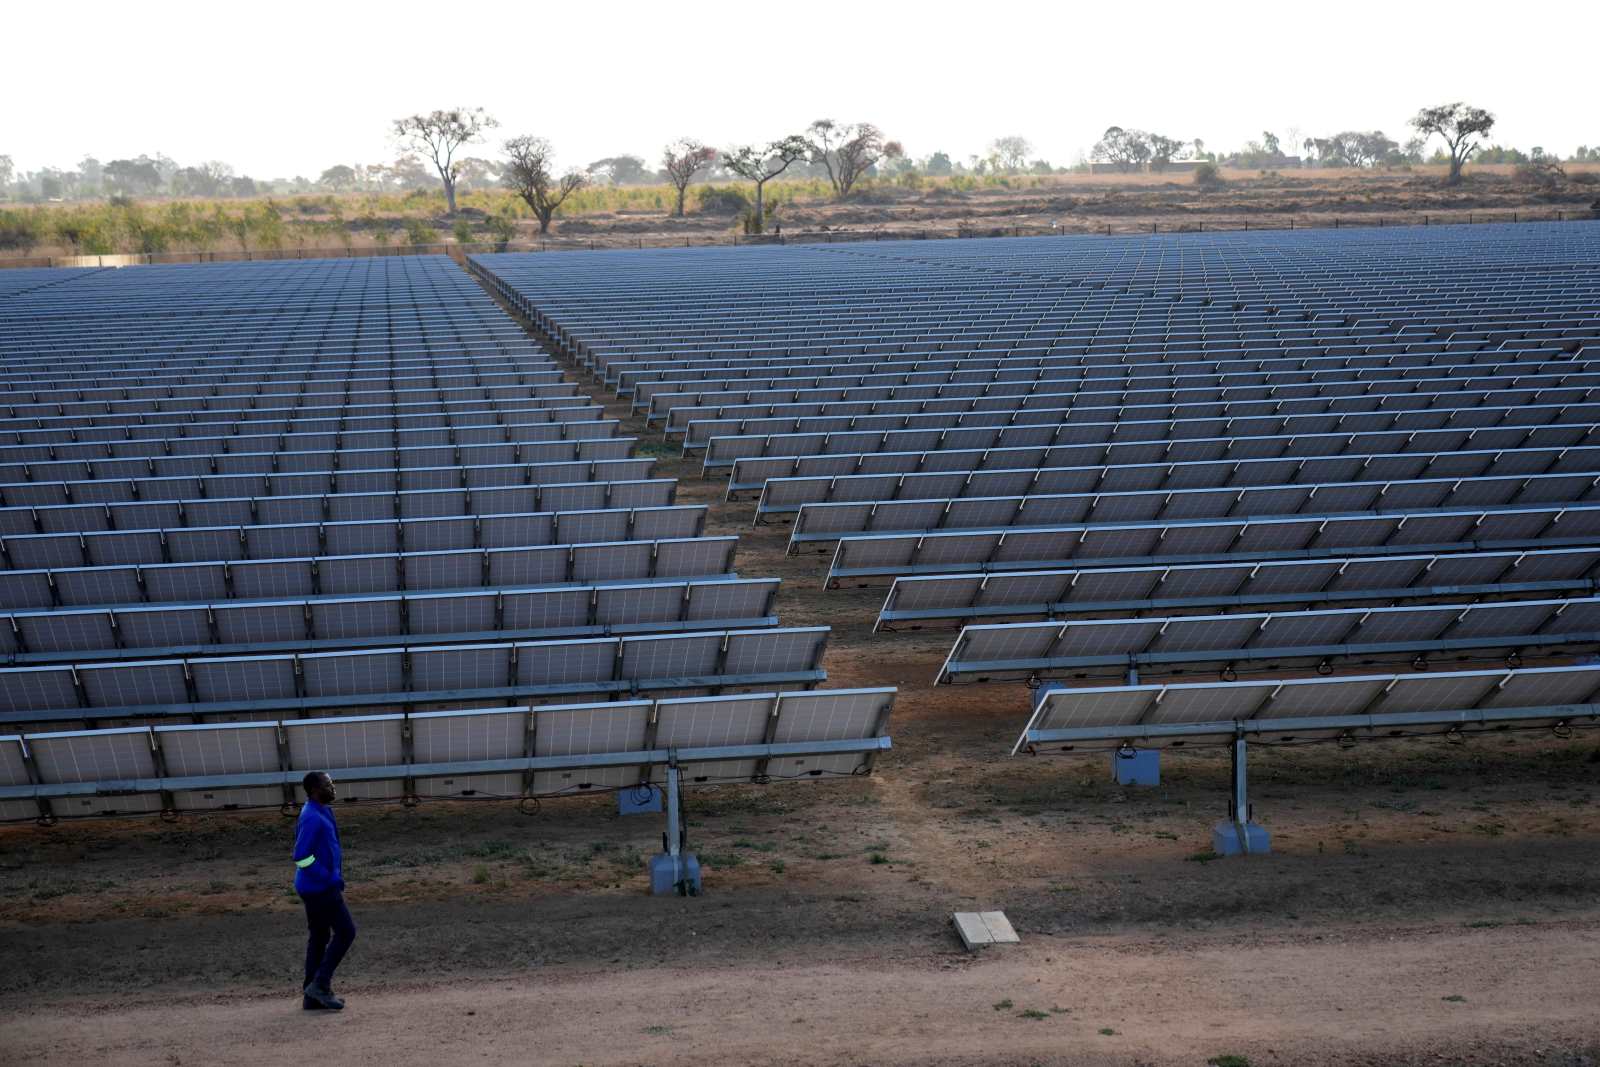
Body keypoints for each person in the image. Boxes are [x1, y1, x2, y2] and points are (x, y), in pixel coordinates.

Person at [293, 771, 356, 1011]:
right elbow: (300, 856)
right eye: (328, 784)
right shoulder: (312, 817)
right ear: (314, 790)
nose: (332, 788)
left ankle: (311, 997)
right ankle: (320, 984)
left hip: (315, 886)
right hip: (319, 888)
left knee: (319, 938)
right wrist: (329, 877)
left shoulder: (319, 811)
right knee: (346, 932)